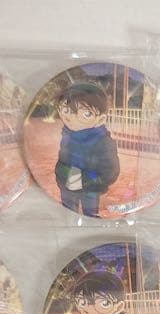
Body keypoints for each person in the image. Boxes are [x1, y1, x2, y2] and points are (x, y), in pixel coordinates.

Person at [54, 83, 120, 217]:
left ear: (100, 119)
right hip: (67, 185)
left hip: (90, 188)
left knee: (90, 215)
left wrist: (86, 180)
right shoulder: (67, 135)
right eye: (65, 110)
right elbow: (62, 159)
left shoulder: (103, 142)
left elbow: (110, 171)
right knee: (67, 213)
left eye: (86, 114)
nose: (70, 117)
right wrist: (63, 174)